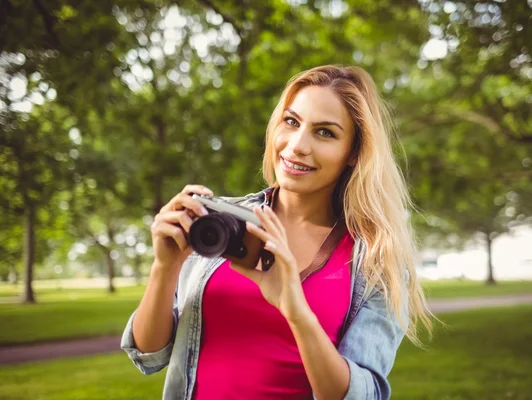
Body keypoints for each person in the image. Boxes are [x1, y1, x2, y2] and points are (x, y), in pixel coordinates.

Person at [121, 65, 433, 400]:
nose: (297, 145)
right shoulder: (215, 222)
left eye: (325, 132)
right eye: (291, 121)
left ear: (354, 153)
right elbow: (149, 355)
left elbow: (363, 395)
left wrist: (295, 309)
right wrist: (164, 267)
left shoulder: (377, 263)